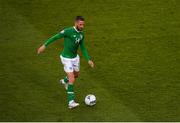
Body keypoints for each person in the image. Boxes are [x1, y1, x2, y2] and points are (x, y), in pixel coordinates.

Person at [37, 16, 94, 109]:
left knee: (76, 75)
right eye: (80, 24)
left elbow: (83, 47)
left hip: (75, 58)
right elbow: (55, 37)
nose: (82, 26)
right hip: (66, 58)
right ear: (75, 23)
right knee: (72, 78)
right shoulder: (68, 31)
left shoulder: (81, 34)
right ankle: (71, 102)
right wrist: (44, 45)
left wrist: (89, 59)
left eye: (83, 24)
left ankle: (64, 81)